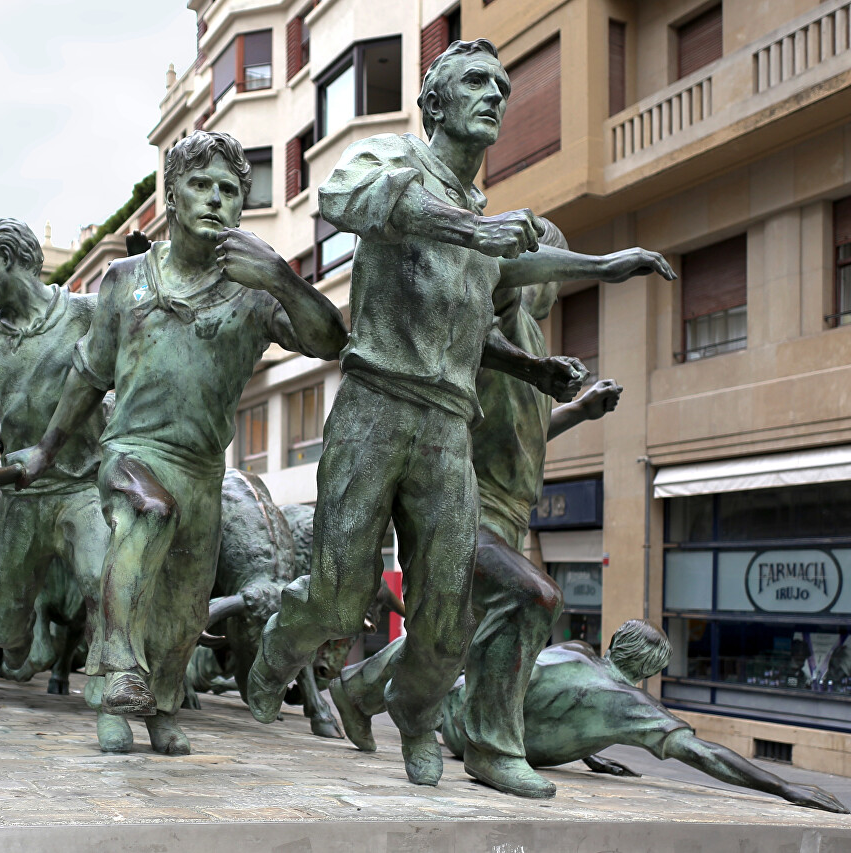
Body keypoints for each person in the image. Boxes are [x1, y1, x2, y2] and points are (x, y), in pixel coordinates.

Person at [249, 38, 675, 790]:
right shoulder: (396, 161)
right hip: (377, 402)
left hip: (447, 422)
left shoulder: (483, 210)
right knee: (340, 592)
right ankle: (279, 646)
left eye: (504, 89)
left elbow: (507, 274)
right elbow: (340, 201)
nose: (496, 97)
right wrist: (471, 229)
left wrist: (602, 268)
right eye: (477, 83)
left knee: (447, 613)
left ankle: (421, 720)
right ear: (436, 103)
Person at [15, 130, 347, 754]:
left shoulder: (254, 292)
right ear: (171, 196)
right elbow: (89, 372)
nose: (215, 200)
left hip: (203, 469)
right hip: (131, 452)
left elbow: (331, 341)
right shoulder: (125, 279)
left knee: (186, 607)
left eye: (229, 190)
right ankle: (115, 690)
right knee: (148, 514)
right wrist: (47, 449)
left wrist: (281, 275)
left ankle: (164, 707)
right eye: (200, 186)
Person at [332, 219, 623, 798]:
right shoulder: (492, 316)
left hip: (512, 514)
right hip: (467, 503)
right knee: (533, 597)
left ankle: (359, 687)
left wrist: (581, 413)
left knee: (459, 633)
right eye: (551, 269)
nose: (553, 286)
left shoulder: (537, 345)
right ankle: (492, 747)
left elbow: (527, 435)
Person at [0, 218, 123, 750]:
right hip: (20, 499)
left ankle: (112, 704)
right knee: (5, 631)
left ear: (14, 259)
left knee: (104, 586)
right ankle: (27, 647)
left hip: (83, 491)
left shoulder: (87, 314)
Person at [436, 622, 844, 814]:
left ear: (615, 642)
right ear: (648, 672)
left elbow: (530, 690)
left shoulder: (578, 649)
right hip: (478, 748)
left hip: (454, 712)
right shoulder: (631, 704)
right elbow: (704, 754)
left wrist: (589, 753)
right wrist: (785, 787)